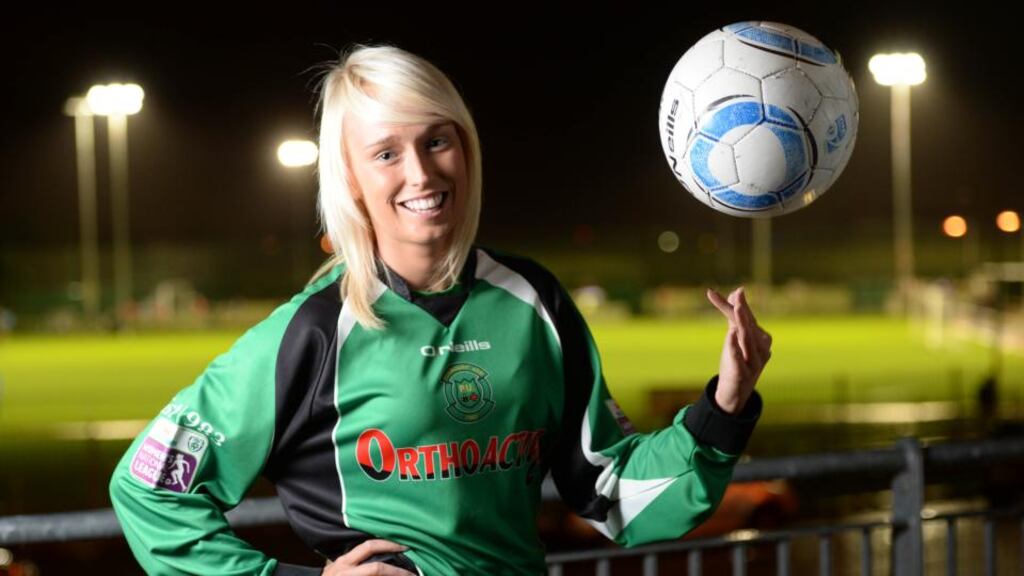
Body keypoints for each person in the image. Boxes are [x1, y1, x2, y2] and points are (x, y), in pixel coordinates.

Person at [109, 44, 771, 576]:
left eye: (436, 141)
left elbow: (617, 495)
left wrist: (726, 405)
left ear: (467, 147)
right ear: (350, 177)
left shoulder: (534, 301)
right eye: (386, 154)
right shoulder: (312, 333)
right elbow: (150, 491)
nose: (421, 175)